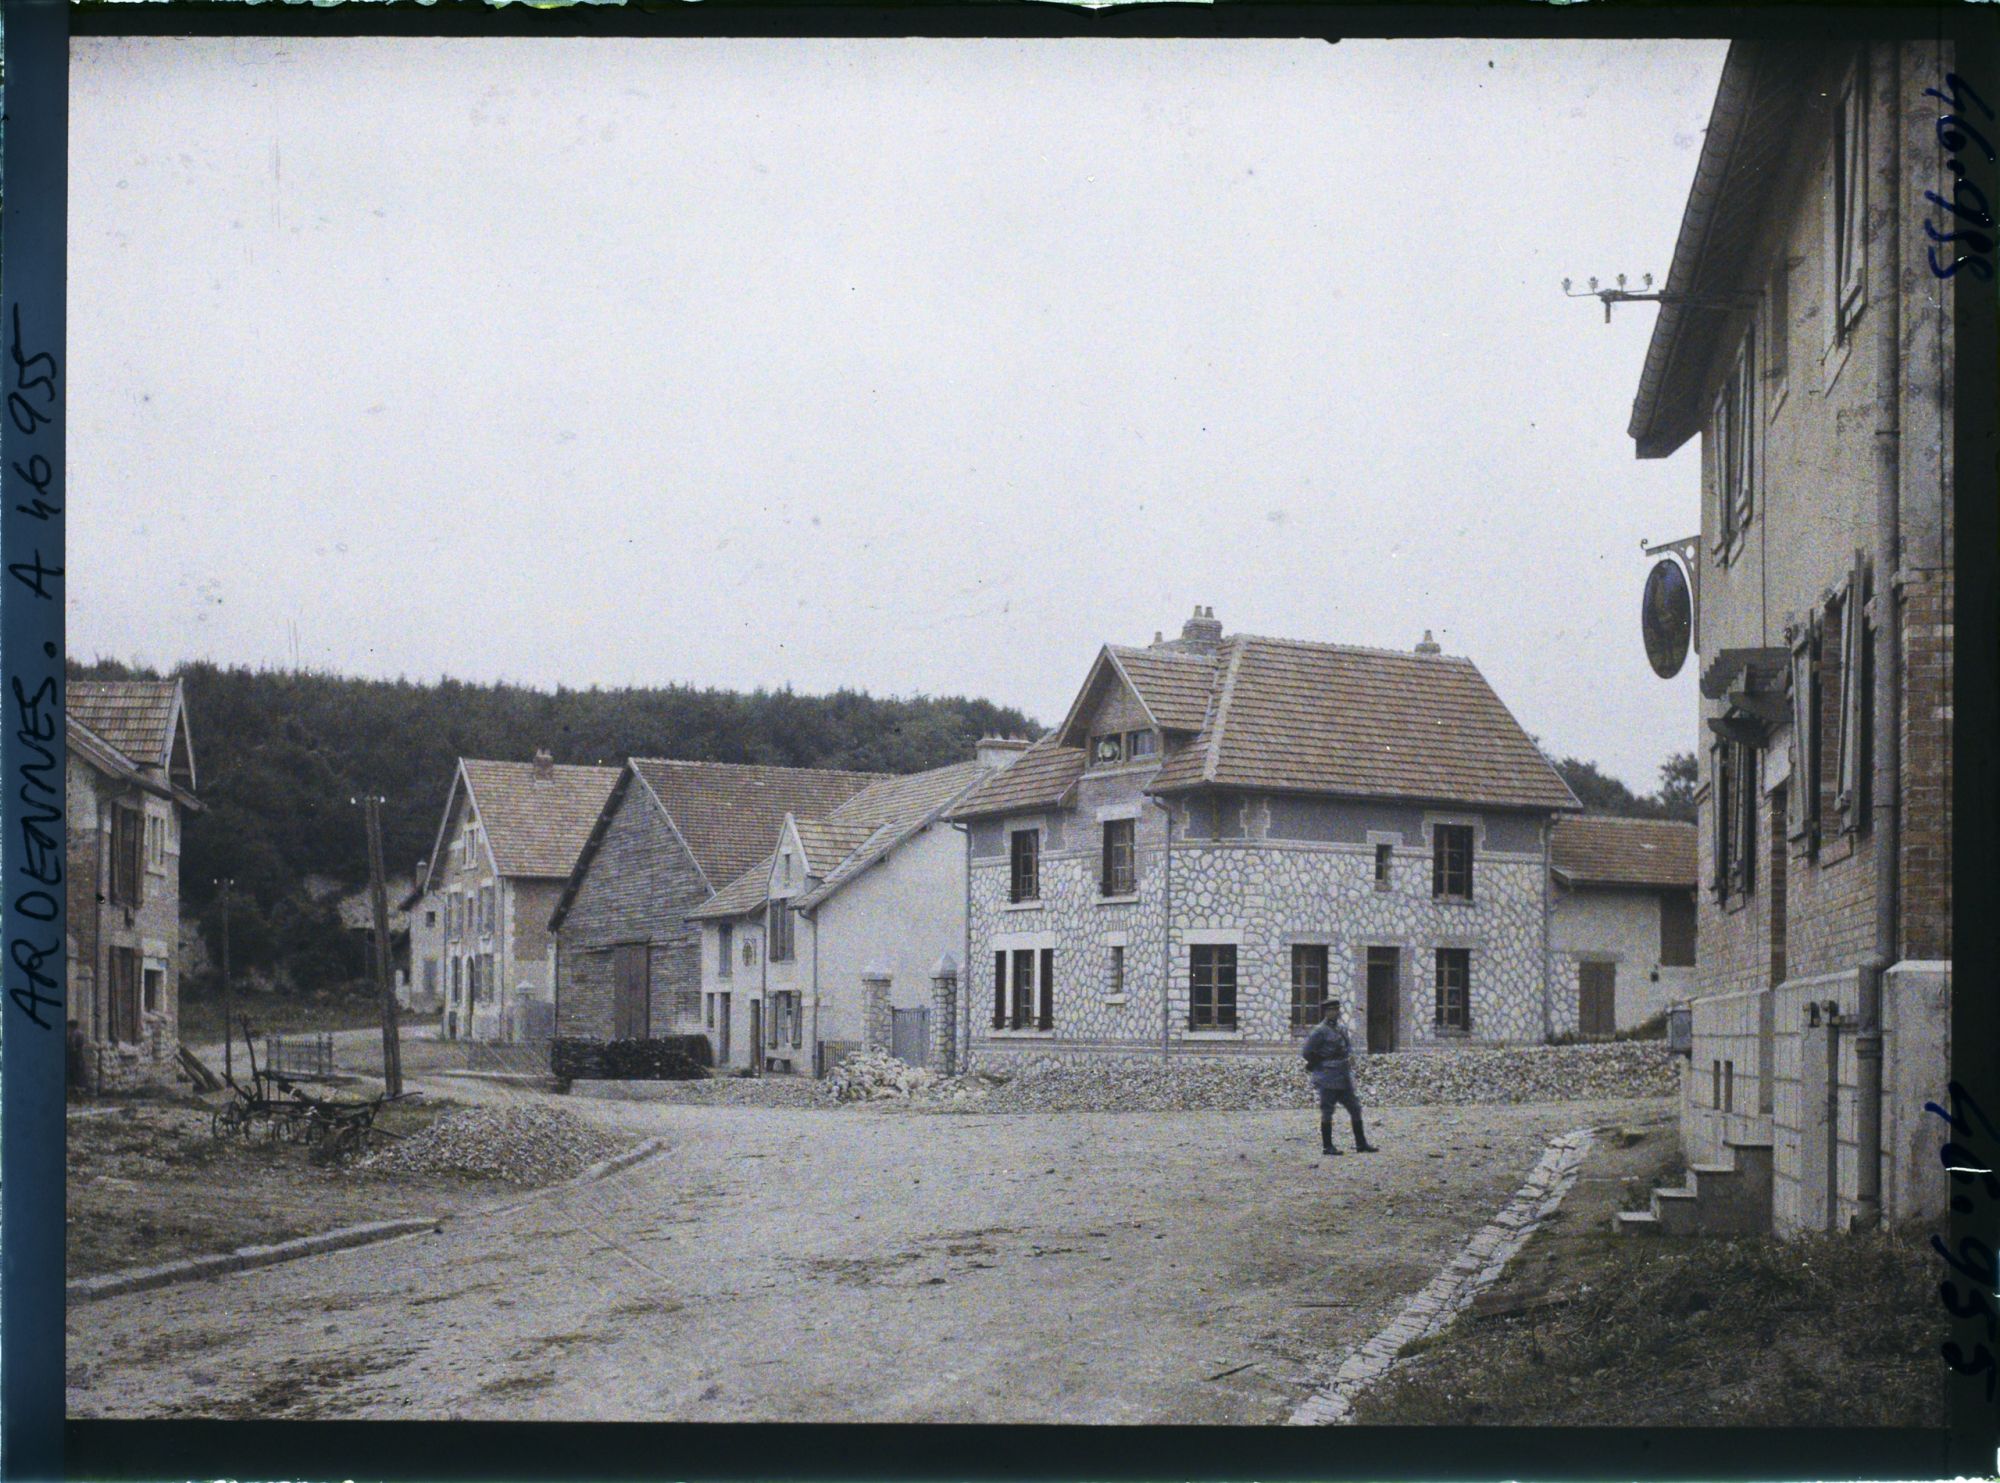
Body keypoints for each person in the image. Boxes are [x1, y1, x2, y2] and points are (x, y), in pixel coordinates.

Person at [1301, 1000, 1376, 1156]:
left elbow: (1347, 1048)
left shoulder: (1341, 1029)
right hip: (1327, 1077)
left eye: (1337, 1009)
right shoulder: (1319, 1031)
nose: (1335, 1012)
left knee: (1355, 1108)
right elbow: (1307, 1052)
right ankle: (1327, 1147)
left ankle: (1361, 1144)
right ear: (1325, 1012)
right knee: (1327, 1111)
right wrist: (1320, 1063)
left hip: (1343, 1075)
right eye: (1332, 1010)